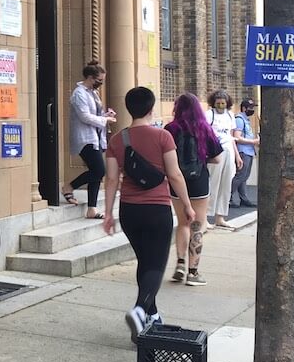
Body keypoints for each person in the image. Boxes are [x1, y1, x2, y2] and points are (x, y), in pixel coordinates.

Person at [102, 87, 195, 342]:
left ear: (128, 108)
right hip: (157, 209)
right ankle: (140, 309)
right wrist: (187, 205)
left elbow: (111, 179)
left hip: (129, 211)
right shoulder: (163, 136)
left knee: (145, 262)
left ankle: (151, 315)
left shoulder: (116, 140)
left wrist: (108, 213)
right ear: (151, 108)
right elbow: (175, 174)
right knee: (156, 264)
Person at [164, 93, 224, 287]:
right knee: (197, 225)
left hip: (177, 180)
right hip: (199, 181)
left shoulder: (170, 129)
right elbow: (217, 158)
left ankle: (180, 263)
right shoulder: (204, 128)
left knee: (182, 223)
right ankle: (193, 272)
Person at [64, 61, 116, 219]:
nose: (101, 83)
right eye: (99, 80)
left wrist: (105, 116)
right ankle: (69, 186)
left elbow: (93, 115)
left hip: (95, 137)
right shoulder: (79, 93)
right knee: (99, 170)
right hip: (84, 138)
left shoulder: (93, 93)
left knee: (96, 172)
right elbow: (84, 116)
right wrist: (104, 120)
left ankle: (92, 208)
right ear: (90, 77)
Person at [205, 90, 240, 228]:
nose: (220, 106)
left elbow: (231, 137)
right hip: (215, 151)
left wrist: (237, 155)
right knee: (213, 183)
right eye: (218, 103)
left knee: (226, 184)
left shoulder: (230, 115)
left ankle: (220, 216)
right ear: (213, 103)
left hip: (228, 150)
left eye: (223, 103)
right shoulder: (209, 115)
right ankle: (206, 216)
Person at [230, 98, 260, 208]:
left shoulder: (245, 120)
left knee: (244, 176)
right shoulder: (239, 119)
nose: (252, 110)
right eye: (250, 107)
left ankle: (243, 198)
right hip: (243, 151)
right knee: (240, 175)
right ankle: (227, 196)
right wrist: (253, 141)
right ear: (244, 108)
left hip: (249, 151)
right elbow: (237, 137)